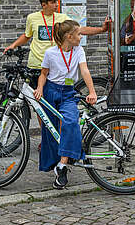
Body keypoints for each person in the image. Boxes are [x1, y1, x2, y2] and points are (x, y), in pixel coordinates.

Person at [33, 20, 97, 189]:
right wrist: (39, 88)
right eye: (79, 34)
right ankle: (55, 164)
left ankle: (63, 165)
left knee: (70, 122)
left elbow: (84, 70)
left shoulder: (79, 51)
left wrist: (92, 91)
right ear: (69, 37)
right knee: (51, 130)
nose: (81, 36)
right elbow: (43, 74)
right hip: (51, 92)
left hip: (68, 93)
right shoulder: (50, 53)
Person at [5, 0, 110, 84]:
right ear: (44, 5)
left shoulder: (62, 17)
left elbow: (80, 29)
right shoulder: (32, 18)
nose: (57, 4)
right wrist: (12, 46)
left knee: (53, 97)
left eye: (57, 1)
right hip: (35, 64)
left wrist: (101, 29)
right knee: (34, 97)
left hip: (55, 64)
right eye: (53, 2)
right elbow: (26, 36)